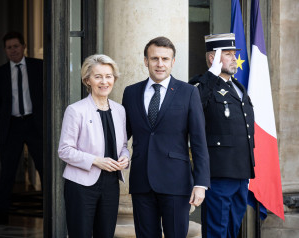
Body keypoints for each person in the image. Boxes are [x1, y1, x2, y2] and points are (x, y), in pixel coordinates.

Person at [122, 36, 210, 238]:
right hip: (141, 181)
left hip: (176, 182)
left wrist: (201, 183)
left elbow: (199, 141)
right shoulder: (131, 93)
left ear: (173, 62)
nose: (159, 64)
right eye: (154, 59)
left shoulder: (188, 93)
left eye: (165, 59)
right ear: (146, 61)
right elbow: (122, 135)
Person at [189, 33, 255, 238]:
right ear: (213, 59)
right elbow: (192, 107)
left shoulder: (237, 86)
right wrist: (211, 75)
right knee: (216, 229)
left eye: (234, 54)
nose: (234, 58)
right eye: (228, 54)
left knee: (233, 228)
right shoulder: (202, 86)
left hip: (241, 172)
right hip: (218, 174)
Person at [58, 54, 130, 238]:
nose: (104, 81)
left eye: (108, 76)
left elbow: (122, 145)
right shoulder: (75, 110)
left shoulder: (120, 110)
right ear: (87, 80)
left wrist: (125, 157)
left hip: (111, 184)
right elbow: (64, 150)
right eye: (98, 76)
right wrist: (96, 161)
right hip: (81, 186)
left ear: (114, 79)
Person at [0, 31, 44, 225]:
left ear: (24, 47)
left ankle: (51, 212)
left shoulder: (39, 67)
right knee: (8, 171)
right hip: (11, 125)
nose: (13, 50)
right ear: (5, 51)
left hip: (35, 124)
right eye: (9, 47)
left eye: (16, 46)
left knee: (44, 168)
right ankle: (2, 214)